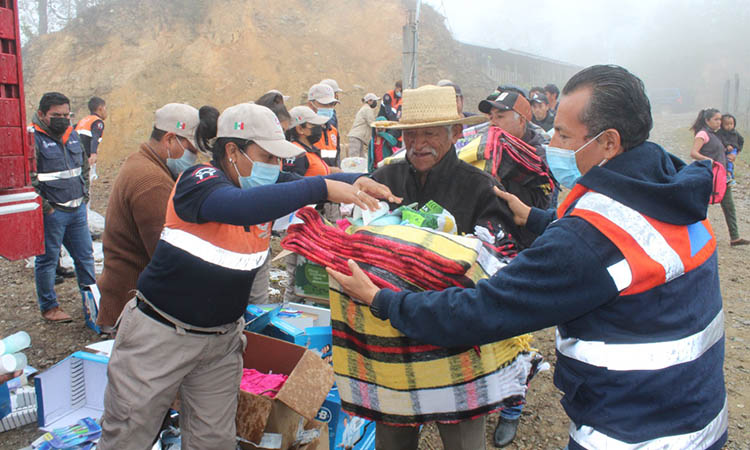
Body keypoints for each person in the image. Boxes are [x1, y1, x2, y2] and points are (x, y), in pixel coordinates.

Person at [330, 64, 728, 450]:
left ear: (608, 142)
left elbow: (487, 306)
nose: (549, 146)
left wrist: (382, 299)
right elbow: (604, 240)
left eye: (562, 134)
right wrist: (538, 217)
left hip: (631, 432)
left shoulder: (584, 234)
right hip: (694, 415)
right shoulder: (668, 192)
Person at [98, 103, 398, 449]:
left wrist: (356, 180)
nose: (276, 168)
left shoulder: (267, 185)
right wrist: (322, 190)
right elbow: (243, 206)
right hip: (162, 335)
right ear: (232, 151)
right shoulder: (199, 182)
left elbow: (310, 182)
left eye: (279, 160)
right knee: (128, 434)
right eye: (268, 157)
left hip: (220, 342)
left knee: (214, 439)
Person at [368, 85, 523, 450]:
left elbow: (498, 263)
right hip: (393, 333)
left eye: (431, 133)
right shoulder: (384, 181)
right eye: (411, 133)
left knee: (463, 442)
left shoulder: (483, 189)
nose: (418, 143)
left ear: (455, 134)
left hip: (457, 336)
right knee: (392, 439)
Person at [96, 103, 208, 331]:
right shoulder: (152, 181)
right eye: (191, 151)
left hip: (125, 295)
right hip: (132, 305)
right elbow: (165, 255)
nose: (193, 159)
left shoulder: (140, 162)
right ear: (169, 140)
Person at [30, 92, 95, 323]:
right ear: (41, 115)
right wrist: (47, 208)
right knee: (47, 261)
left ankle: (92, 302)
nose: (63, 119)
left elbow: (83, 167)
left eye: (66, 115)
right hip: (53, 213)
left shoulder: (72, 134)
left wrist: (85, 194)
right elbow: (30, 179)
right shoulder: (32, 139)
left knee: (85, 257)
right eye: (56, 115)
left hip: (77, 210)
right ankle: (49, 307)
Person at [478, 89, 555, 211]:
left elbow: (541, 202)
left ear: (521, 121)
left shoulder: (539, 157)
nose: (493, 123)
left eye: (500, 116)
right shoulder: (486, 145)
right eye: (491, 117)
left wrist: (502, 183)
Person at [690, 108, 749, 246]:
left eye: (720, 119)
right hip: (707, 176)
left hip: (722, 177)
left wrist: (732, 156)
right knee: (701, 207)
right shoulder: (703, 134)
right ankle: (696, 239)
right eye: (716, 119)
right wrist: (707, 159)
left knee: (729, 206)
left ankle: (735, 237)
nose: (719, 122)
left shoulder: (718, 135)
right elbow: (693, 153)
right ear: (707, 120)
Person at [307, 83, 341, 166]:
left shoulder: (333, 131)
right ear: (310, 105)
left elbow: (336, 159)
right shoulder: (304, 131)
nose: (329, 108)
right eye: (324, 104)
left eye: (331, 104)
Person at [75, 96, 107, 166]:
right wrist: (93, 154)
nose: (106, 111)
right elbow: (95, 137)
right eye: (105, 108)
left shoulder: (83, 121)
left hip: (76, 156)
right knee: (90, 176)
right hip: (86, 157)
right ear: (100, 108)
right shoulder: (97, 121)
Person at [347, 93, 379, 159]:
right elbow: (372, 123)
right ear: (369, 101)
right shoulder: (367, 109)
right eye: (375, 101)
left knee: (361, 158)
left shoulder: (365, 108)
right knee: (354, 159)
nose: (376, 103)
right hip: (356, 137)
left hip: (358, 137)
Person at [717, 113, 743, 185]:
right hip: (724, 149)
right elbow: (720, 139)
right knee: (723, 162)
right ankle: (729, 175)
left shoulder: (735, 132)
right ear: (722, 124)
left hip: (733, 150)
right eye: (727, 124)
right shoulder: (720, 132)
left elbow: (741, 140)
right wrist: (727, 145)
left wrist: (738, 149)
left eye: (731, 124)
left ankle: (729, 175)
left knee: (729, 161)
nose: (729, 126)